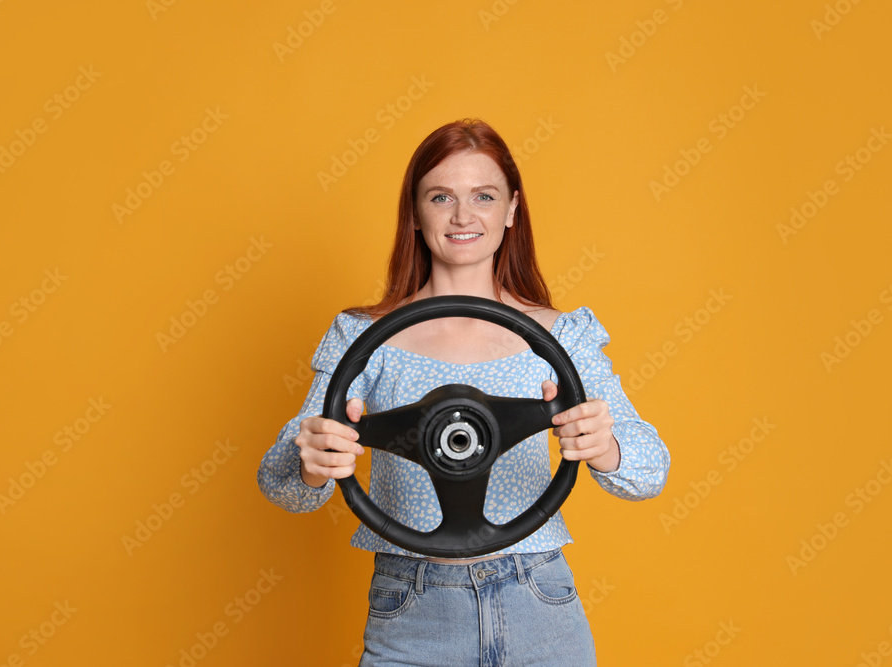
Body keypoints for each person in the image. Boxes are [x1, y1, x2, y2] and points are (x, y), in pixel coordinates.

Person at [258, 118, 670, 666]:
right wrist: (311, 456)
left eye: (483, 195)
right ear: (415, 213)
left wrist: (603, 444)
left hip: (539, 603)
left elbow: (650, 472)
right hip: (410, 606)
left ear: (512, 209)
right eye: (441, 196)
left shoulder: (563, 336)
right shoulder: (361, 337)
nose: (462, 216)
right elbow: (283, 486)